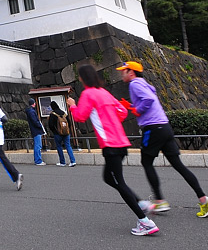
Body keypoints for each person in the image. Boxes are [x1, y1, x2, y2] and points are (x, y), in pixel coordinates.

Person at [67, 64, 159, 236]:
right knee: (109, 178)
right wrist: (108, 119)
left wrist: (72, 105)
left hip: (111, 145)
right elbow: (123, 112)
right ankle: (142, 204)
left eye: (79, 76)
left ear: (83, 78)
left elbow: (80, 116)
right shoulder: (104, 92)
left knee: (118, 182)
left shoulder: (88, 94)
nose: (79, 79)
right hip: (121, 142)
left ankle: (145, 222)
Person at [117, 60, 208, 218]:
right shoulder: (144, 83)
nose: (121, 73)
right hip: (164, 127)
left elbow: (148, 101)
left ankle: (159, 201)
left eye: (124, 70)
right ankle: (204, 199)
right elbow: (150, 99)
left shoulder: (134, 84)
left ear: (131, 72)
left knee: (146, 162)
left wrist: (136, 110)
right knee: (178, 165)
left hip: (153, 128)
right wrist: (132, 106)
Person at [47, 100, 76, 167]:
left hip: (57, 134)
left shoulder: (53, 114)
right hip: (66, 133)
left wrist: (55, 131)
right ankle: (73, 161)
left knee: (59, 147)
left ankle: (62, 162)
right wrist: (67, 130)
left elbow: (50, 125)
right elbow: (69, 122)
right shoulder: (63, 113)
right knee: (68, 146)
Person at [25, 98, 46, 165]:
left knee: (37, 145)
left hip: (34, 130)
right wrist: (40, 126)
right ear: (33, 103)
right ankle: (38, 160)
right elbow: (35, 121)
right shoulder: (31, 111)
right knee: (38, 145)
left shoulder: (29, 111)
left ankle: (37, 160)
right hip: (36, 130)